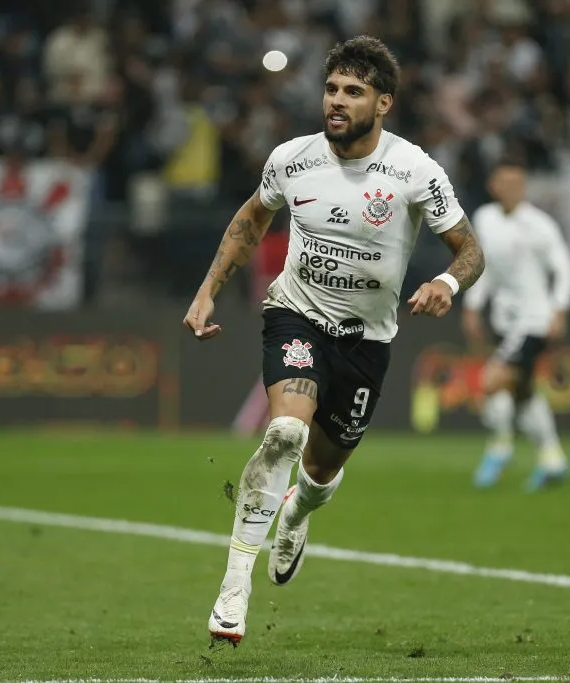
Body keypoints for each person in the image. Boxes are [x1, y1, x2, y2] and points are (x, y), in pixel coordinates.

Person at [183, 36, 484, 646]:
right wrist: (208, 289)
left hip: (367, 340)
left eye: (353, 92)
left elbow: (471, 251)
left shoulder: (415, 171)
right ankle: (234, 586)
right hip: (297, 316)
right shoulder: (293, 158)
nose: (337, 102)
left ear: (384, 103)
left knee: (320, 472)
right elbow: (250, 221)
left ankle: (296, 513)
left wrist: (448, 282)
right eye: (331, 90)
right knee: (285, 432)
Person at [460, 155, 570, 492]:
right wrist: (472, 306)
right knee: (524, 393)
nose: (512, 189)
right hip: (504, 319)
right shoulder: (484, 219)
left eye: (518, 184)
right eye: (506, 183)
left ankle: (499, 448)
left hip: (535, 320)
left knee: (492, 381)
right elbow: (484, 267)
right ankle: (553, 460)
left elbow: (565, 269)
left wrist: (559, 309)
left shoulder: (539, 225)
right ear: (493, 186)